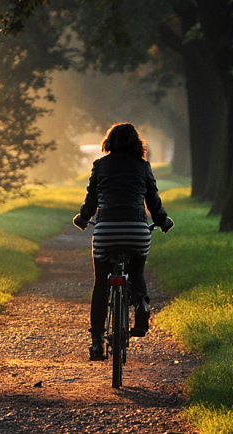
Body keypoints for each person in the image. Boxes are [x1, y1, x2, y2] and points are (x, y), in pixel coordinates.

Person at [72, 123, 174, 361]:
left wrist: (83, 218)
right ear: (137, 143)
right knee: (137, 272)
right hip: (136, 230)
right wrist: (162, 221)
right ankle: (140, 304)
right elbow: (153, 200)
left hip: (107, 231)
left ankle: (96, 342)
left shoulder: (100, 166)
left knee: (100, 285)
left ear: (108, 142)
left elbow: (91, 200)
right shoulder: (142, 167)